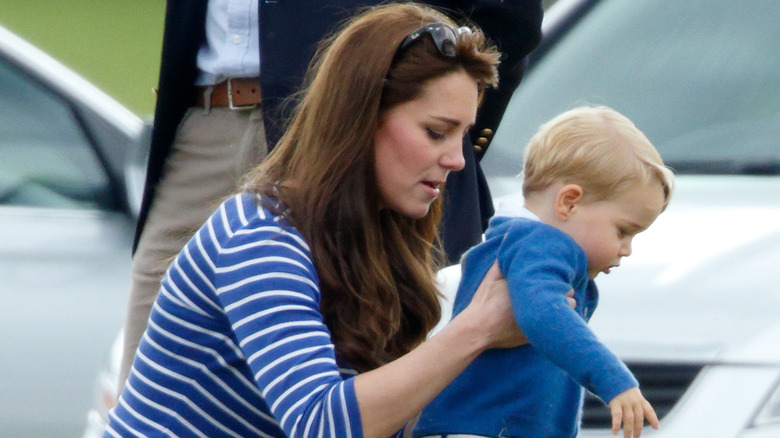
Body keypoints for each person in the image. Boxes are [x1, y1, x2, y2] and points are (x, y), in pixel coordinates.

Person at [104, 4, 538, 437]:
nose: (458, 160)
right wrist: (475, 330)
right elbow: (320, 425)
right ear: (363, 118)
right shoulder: (261, 235)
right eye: (435, 132)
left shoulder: (384, 240)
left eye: (462, 135)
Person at [414, 106, 675, 438]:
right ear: (568, 202)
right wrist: (615, 381)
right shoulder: (538, 245)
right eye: (623, 231)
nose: (627, 249)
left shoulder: (517, 244)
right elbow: (542, 313)